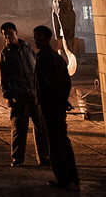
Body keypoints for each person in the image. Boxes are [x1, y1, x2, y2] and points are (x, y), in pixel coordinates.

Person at [33, 24, 79, 189]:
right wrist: (64, 99)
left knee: (53, 142)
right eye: (35, 36)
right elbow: (66, 81)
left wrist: (59, 99)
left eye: (39, 36)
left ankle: (62, 178)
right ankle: (72, 175)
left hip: (48, 106)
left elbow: (49, 83)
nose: (36, 39)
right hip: (58, 105)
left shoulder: (43, 58)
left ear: (47, 38)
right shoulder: (56, 56)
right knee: (63, 139)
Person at [0, 21, 50, 168]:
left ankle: (44, 157)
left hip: (35, 95)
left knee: (41, 128)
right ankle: (17, 158)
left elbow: (36, 67)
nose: (8, 37)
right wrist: (7, 96)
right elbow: (4, 78)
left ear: (16, 32)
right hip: (19, 97)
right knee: (19, 130)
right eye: (5, 35)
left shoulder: (27, 47)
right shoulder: (5, 54)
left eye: (9, 33)